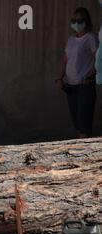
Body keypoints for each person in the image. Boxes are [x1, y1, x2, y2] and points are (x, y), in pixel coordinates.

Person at [55, 8, 98, 138]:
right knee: (78, 125)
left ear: (86, 21)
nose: (76, 23)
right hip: (70, 87)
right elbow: (65, 60)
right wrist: (59, 78)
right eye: (73, 20)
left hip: (84, 87)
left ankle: (86, 156)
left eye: (79, 20)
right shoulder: (71, 40)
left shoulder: (91, 38)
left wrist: (89, 76)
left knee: (84, 126)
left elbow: (99, 60)